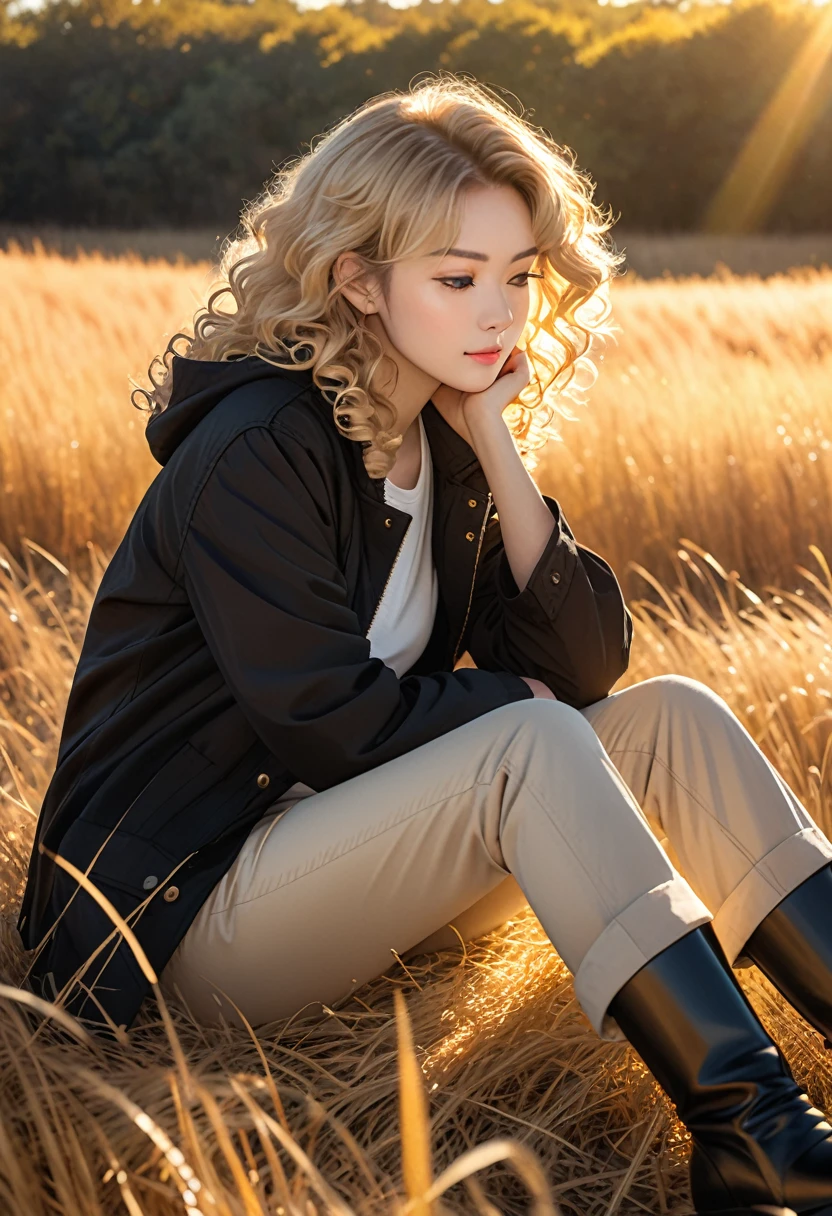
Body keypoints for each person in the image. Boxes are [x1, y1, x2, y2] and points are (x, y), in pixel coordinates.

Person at [16, 75, 832, 1214]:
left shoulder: (438, 440)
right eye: (457, 280)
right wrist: (514, 699)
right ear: (357, 279)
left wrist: (497, 443)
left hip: (333, 871)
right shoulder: (258, 448)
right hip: (167, 925)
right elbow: (330, 721)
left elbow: (590, 664)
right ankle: (755, 1135)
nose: (499, 313)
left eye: (516, 277)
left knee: (671, 716)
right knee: (532, 744)